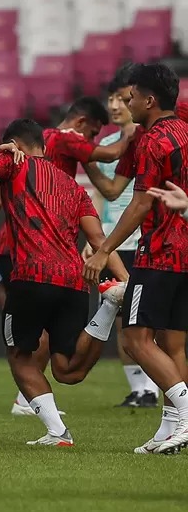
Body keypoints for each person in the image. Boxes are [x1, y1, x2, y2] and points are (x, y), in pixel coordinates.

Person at [0, 119, 127, 446]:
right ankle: (109, 306)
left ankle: (58, 433)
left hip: (32, 276)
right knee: (66, 370)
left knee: (19, 356)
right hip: (73, 281)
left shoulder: (12, 162)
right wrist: (125, 280)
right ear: (44, 147)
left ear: (14, 144)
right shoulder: (75, 188)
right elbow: (99, 238)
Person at [83, 62, 188, 453]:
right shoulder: (183, 131)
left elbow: (141, 203)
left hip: (159, 251)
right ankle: (170, 430)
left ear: (149, 99)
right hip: (185, 251)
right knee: (172, 345)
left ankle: (187, 414)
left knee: (137, 337)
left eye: (132, 96)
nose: (127, 102)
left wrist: (104, 250)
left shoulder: (153, 140)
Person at [84, 69, 158, 408]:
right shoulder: (106, 147)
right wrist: (94, 236)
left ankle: (160, 388)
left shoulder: (155, 139)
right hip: (115, 241)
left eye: (123, 98)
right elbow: (107, 194)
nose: (116, 105)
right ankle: (140, 389)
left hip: (148, 237)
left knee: (151, 317)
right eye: (112, 98)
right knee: (118, 315)